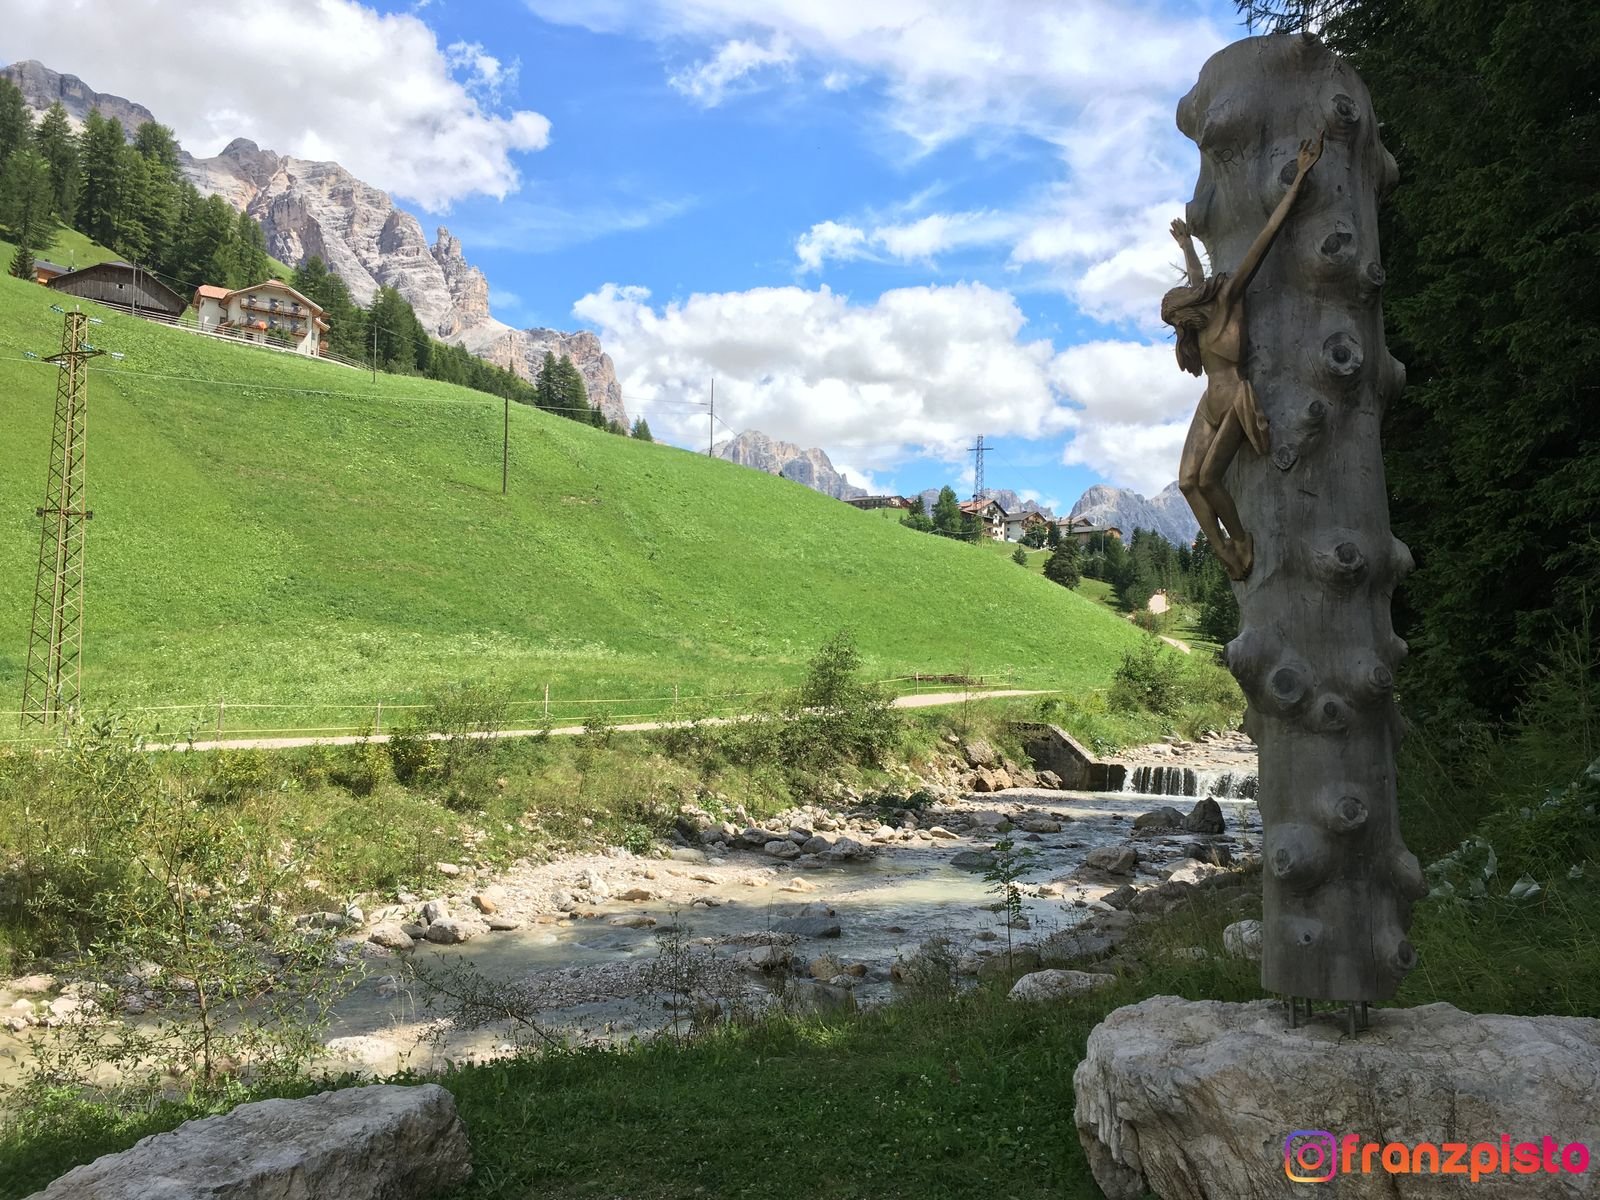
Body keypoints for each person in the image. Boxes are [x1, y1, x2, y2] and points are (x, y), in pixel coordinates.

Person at [1163, 132, 1324, 580]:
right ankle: (1223, 551)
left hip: (1234, 396)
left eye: (1179, 319)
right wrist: (1187, 247)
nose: (1180, 328)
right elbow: (1196, 280)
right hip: (1210, 403)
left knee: (1209, 479)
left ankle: (1241, 538)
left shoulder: (1229, 298)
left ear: (1189, 309)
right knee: (1186, 482)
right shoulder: (1198, 316)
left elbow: (1266, 237)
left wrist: (1298, 180)